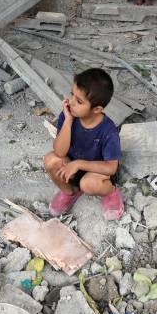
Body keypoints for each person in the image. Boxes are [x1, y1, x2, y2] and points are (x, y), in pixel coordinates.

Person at [43, 68, 124, 220]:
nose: (71, 102)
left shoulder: (108, 131)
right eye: (72, 94)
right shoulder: (69, 115)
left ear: (97, 109)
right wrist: (67, 120)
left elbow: (111, 167)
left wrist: (79, 164)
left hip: (96, 174)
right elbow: (60, 152)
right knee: (51, 160)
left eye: (79, 101)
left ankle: (110, 192)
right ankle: (70, 192)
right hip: (72, 168)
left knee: (88, 183)